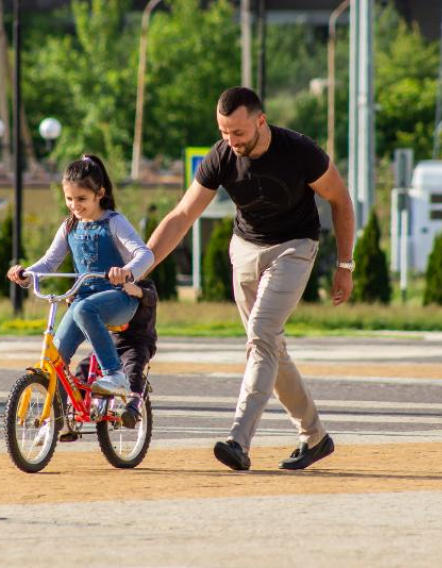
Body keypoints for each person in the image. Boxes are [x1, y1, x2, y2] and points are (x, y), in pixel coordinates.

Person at [146, 87, 356, 471]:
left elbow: (341, 200)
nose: (231, 141)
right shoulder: (222, 156)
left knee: (261, 334)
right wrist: (140, 266)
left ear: (261, 121)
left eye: (238, 133)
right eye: (224, 132)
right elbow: (181, 216)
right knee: (269, 345)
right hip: (245, 248)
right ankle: (315, 437)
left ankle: (239, 441)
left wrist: (345, 265)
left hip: (295, 246)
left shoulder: (300, 152)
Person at [8, 154, 153, 397]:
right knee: (57, 356)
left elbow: (145, 254)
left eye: (82, 199)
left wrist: (127, 272)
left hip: (119, 298)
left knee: (83, 309)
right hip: (82, 301)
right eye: (69, 199)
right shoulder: (69, 226)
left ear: (101, 193)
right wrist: (26, 274)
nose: (75, 205)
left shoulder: (115, 222)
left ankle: (115, 374)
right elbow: (50, 261)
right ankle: (58, 420)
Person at [74, 278, 158, 429]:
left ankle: (133, 406)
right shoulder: (110, 284)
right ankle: (75, 407)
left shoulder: (144, 283)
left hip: (137, 343)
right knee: (84, 367)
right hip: (111, 342)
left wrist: (138, 291)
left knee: (133, 368)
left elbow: (152, 297)